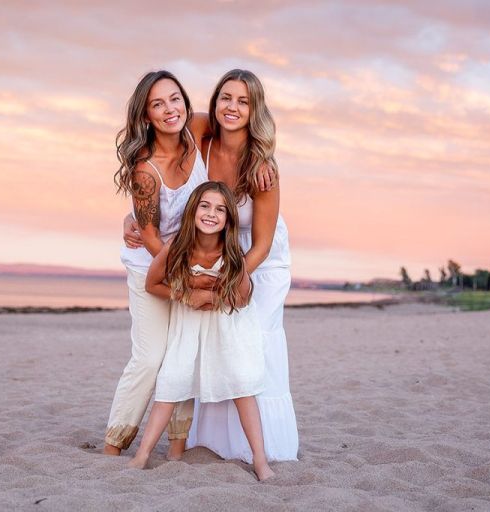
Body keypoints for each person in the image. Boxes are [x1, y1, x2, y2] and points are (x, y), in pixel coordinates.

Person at [124, 69, 298, 463]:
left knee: (254, 339)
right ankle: (215, 441)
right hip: (210, 245)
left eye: (243, 101)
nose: (232, 108)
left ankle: (265, 448)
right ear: (214, 102)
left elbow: (265, 243)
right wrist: (132, 216)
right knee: (214, 336)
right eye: (226, 98)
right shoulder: (200, 131)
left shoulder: (262, 167)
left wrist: (231, 279)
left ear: (255, 110)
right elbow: (156, 158)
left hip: (257, 256)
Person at [128, 181, 275, 481]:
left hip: (227, 329)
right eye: (205, 206)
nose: (211, 214)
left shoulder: (232, 253)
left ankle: (261, 461)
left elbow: (244, 296)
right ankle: (142, 455)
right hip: (189, 327)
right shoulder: (177, 248)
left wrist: (208, 296)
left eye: (220, 209)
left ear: (228, 220)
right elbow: (152, 284)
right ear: (193, 210)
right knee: (171, 382)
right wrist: (185, 296)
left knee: (242, 384)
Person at [104, 70, 208, 457]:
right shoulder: (146, 170)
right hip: (151, 263)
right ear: (146, 116)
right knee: (149, 358)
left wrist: (264, 158)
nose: (170, 110)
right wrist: (182, 278)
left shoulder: (198, 127)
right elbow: (149, 238)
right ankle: (115, 443)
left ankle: (177, 447)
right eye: (158, 104)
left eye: (175, 98)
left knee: (184, 353)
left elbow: (241, 129)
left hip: (191, 261)